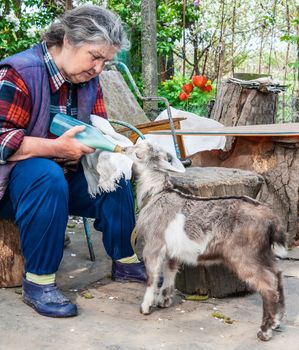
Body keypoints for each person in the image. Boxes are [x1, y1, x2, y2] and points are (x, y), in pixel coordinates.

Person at [0, 5, 146, 318]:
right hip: (12, 187)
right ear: (68, 40)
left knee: (113, 177)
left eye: (106, 60)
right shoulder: (19, 73)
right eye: (95, 56)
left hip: (62, 182)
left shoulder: (88, 79)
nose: (98, 67)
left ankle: (126, 261)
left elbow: (97, 125)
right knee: (45, 174)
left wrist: (112, 147)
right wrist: (56, 149)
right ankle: (39, 282)